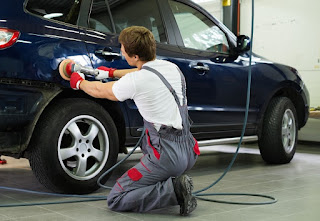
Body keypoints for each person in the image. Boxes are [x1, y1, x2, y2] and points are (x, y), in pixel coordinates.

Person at [68, 26, 200, 216]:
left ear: (135, 56)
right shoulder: (171, 68)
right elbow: (140, 74)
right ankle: (171, 182)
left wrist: (79, 81)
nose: (121, 51)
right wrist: (111, 73)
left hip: (166, 158)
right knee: (149, 140)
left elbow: (99, 91)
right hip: (188, 149)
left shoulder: (136, 81)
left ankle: (174, 191)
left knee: (116, 198)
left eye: (123, 49)